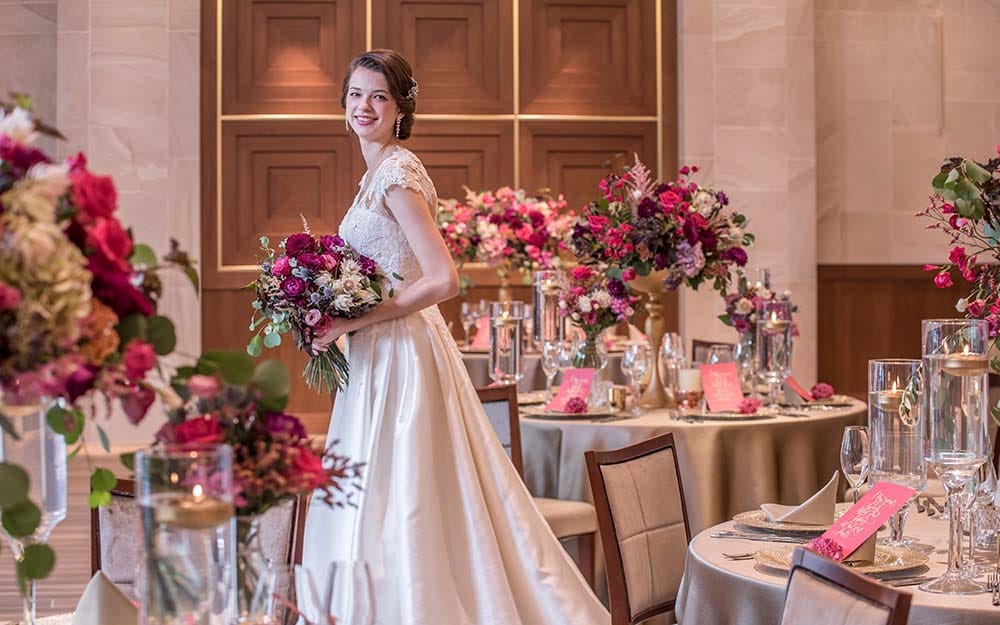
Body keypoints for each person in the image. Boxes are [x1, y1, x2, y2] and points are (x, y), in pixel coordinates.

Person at [301, 49, 610, 625]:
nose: (364, 106)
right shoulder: (375, 173)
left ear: (400, 109)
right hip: (376, 353)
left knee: (409, 487)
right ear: (343, 103)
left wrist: (354, 320)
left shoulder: (397, 173)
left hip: (401, 354)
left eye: (379, 97)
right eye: (356, 94)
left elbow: (443, 279)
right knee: (380, 485)